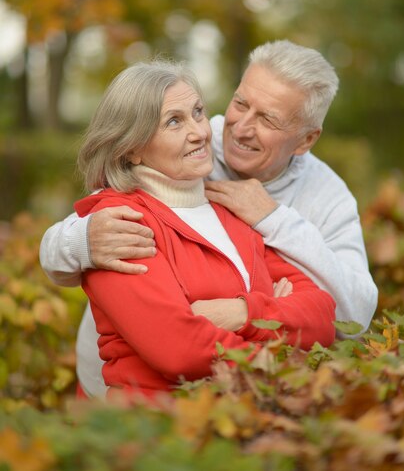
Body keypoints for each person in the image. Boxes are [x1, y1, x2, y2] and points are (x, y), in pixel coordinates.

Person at [40, 40, 378, 396]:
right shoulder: (187, 151)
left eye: (267, 119)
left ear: (306, 140)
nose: (239, 128)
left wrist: (271, 232)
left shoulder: (323, 197)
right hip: (123, 397)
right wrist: (83, 240)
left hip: (230, 406)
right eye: (240, 103)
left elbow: (341, 316)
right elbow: (176, 344)